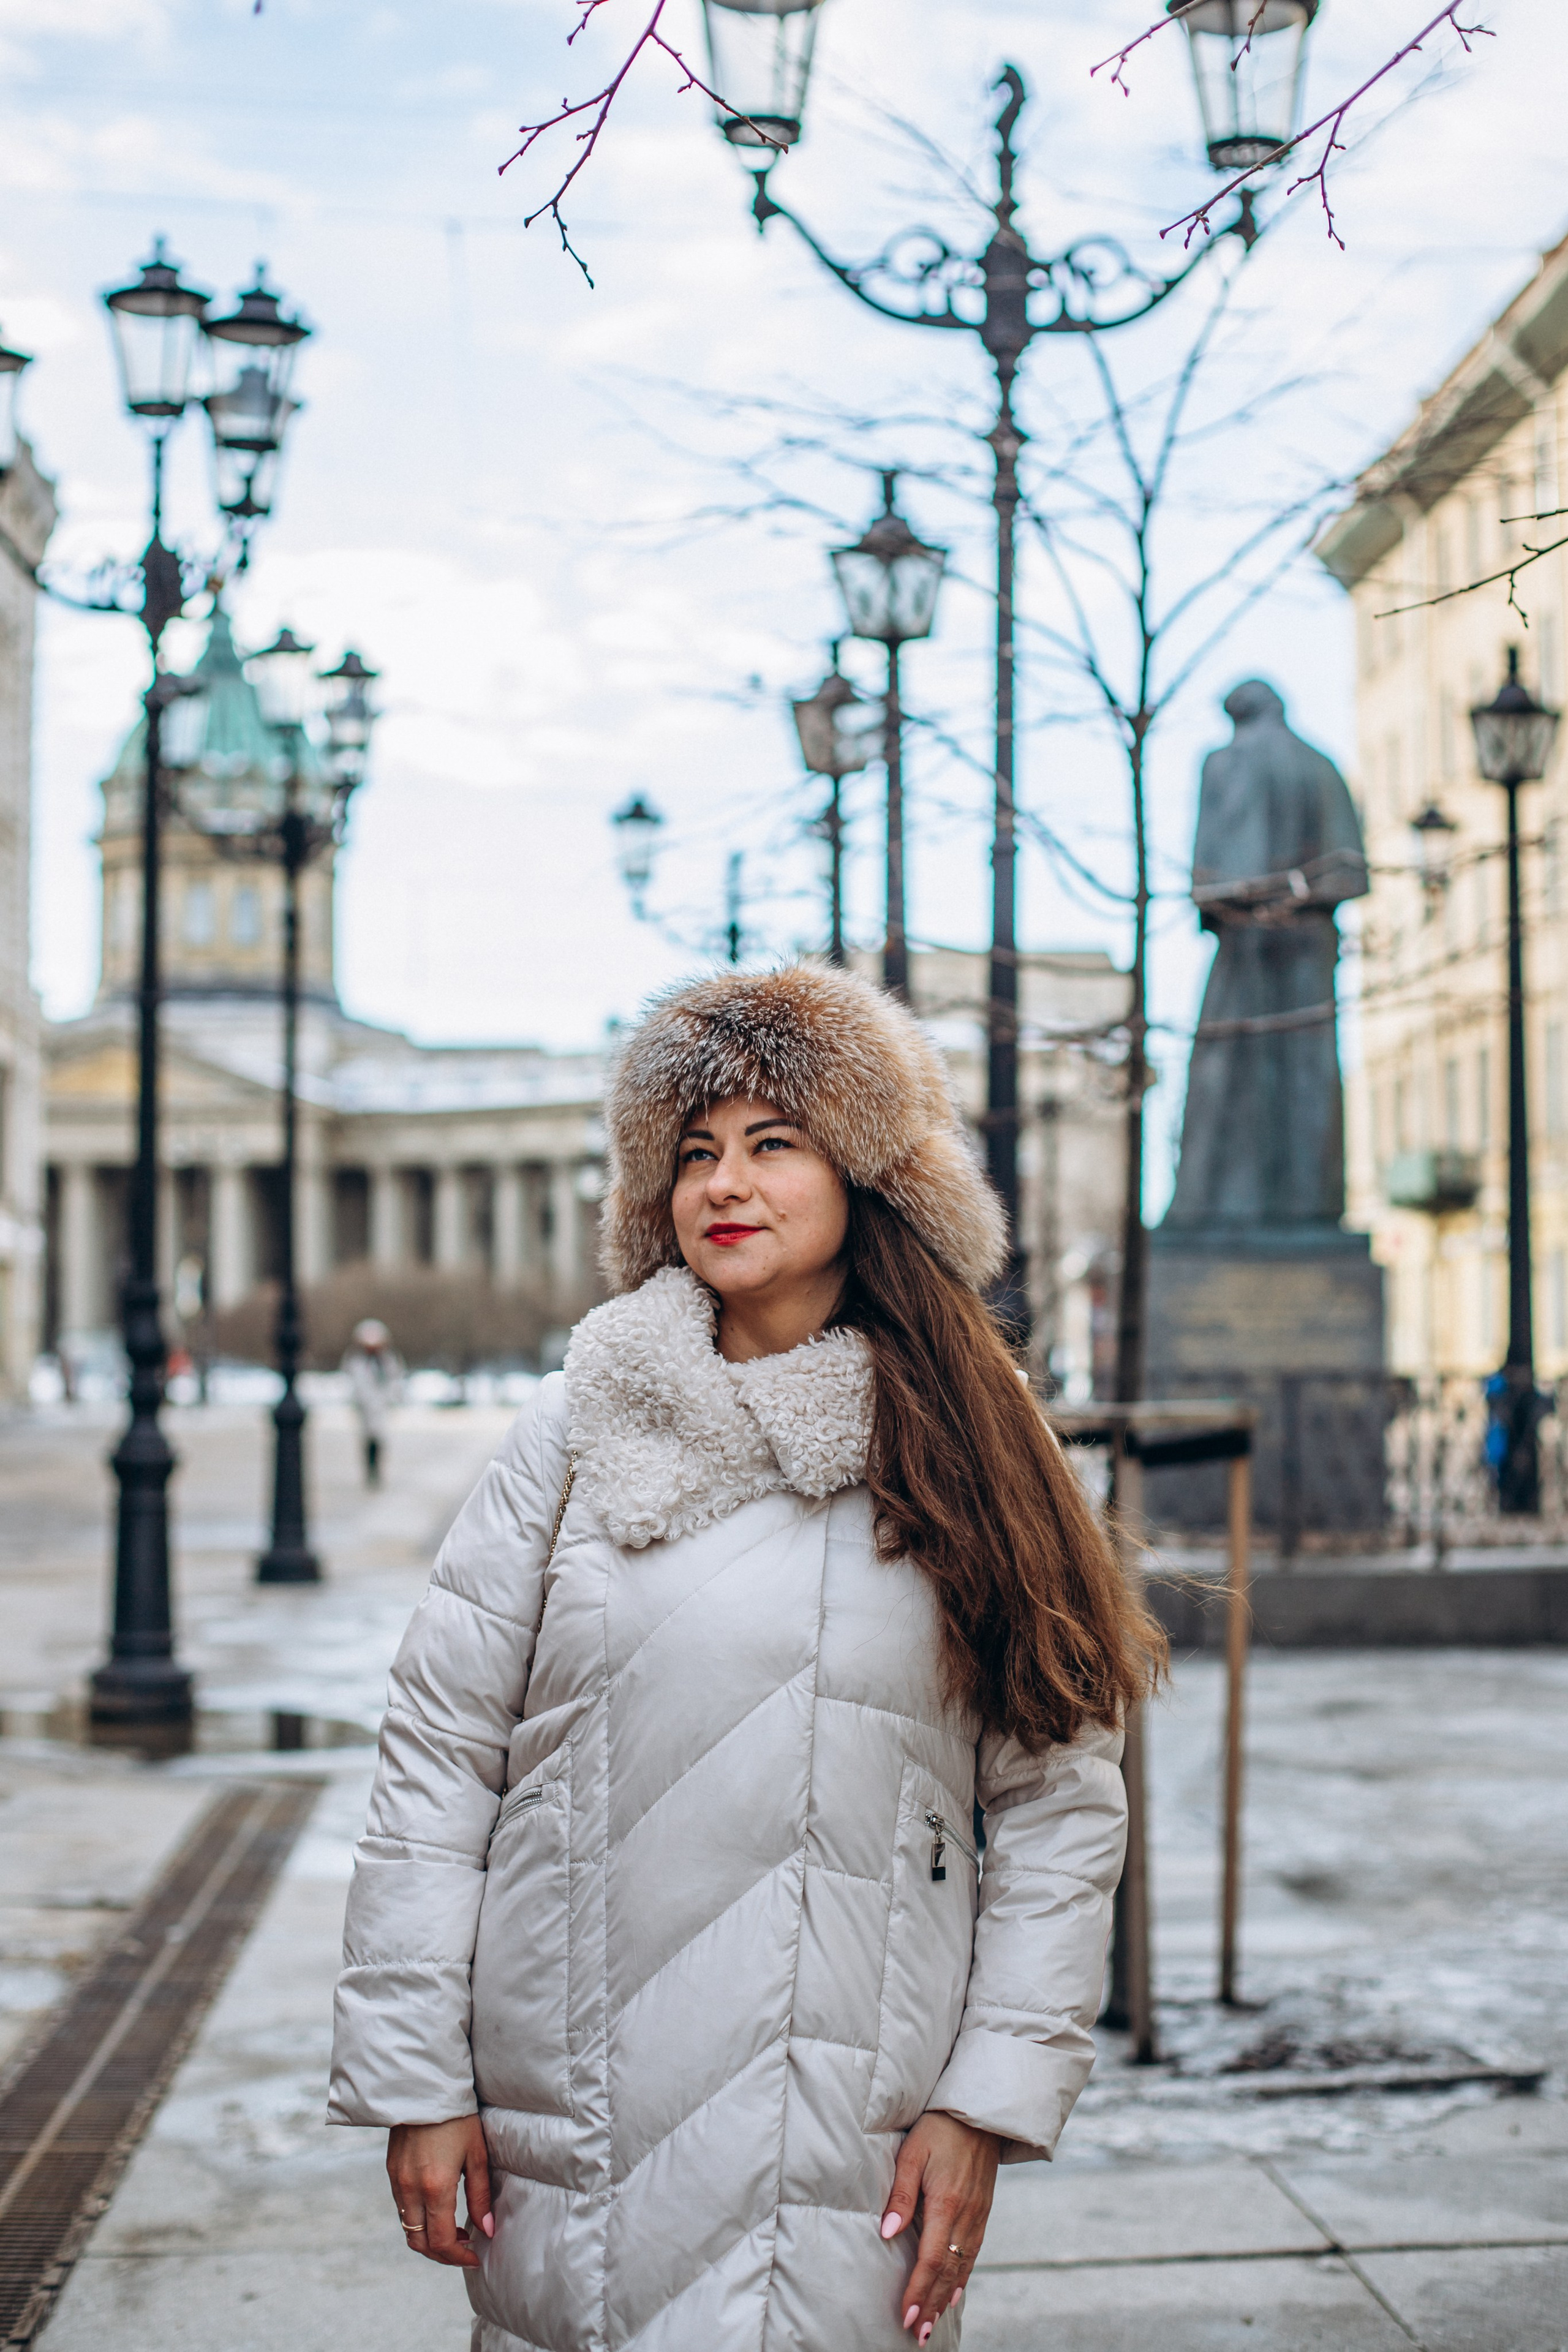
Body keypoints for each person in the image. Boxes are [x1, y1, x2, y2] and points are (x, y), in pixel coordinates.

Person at [329, 965, 1162, 2351]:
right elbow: (435, 1764)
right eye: (693, 1150)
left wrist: (983, 2099)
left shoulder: (975, 1445)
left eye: (773, 1142)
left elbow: (1058, 1800)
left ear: (866, 1180)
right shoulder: (570, 1427)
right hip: (578, 2136)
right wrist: (416, 2077)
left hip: (840, 2158)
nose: (724, 1180)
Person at [342, 1317, 404, 1488]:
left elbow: (395, 1381)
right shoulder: (356, 1361)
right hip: (365, 1408)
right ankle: (370, 1471)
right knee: (367, 1440)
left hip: (380, 1407)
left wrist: (390, 1399)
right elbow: (353, 1382)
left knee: (379, 1440)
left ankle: (377, 1471)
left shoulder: (387, 1361)